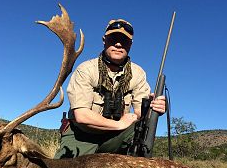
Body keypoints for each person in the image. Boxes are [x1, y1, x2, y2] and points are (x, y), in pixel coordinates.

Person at [54, 19, 166, 159]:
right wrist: (119, 124)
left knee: (141, 131)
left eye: (124, 41)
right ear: (104, 40)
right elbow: (82, 115)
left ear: (130, 45)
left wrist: (155, 108)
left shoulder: (138, 73)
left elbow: (139, 113)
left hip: (115, 137)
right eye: (114, 39)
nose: (118, 44)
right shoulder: (86, 70)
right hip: (81, 135)